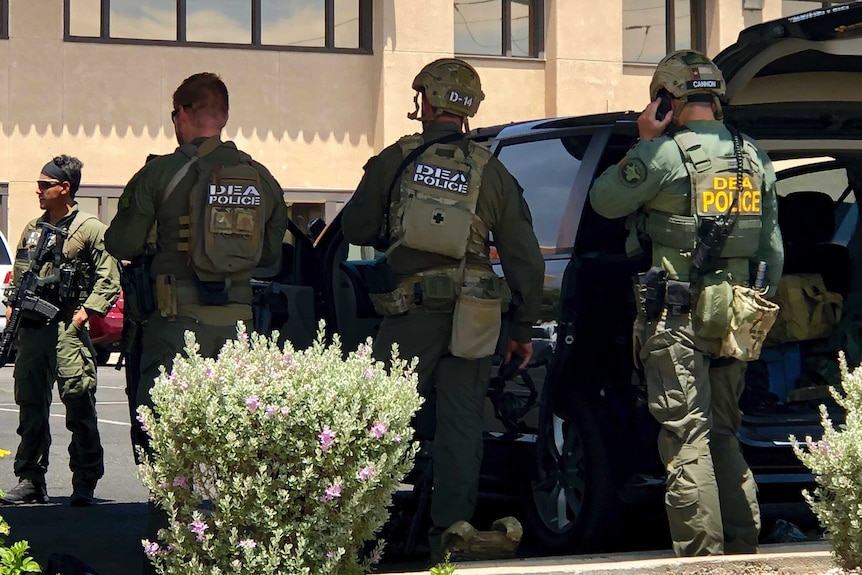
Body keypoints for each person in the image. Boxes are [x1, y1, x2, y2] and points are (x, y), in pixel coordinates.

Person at [340, 58, 544, 558]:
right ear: (468, 108)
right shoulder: (491, 170)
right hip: (476, 314)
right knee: (461, 424)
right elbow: (525, 260)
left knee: (378, 417)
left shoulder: (396, 159)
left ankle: (357, 531)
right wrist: (521, 326)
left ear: (426, 102)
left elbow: (353, 229)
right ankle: (449, 537)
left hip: (412, 310)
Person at [589, 50, 784, 556]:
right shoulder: (754, 155)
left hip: (675, 315)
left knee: (686, 433)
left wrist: (644, 141)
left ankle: (703, 557)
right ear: (716, 97)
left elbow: (605, 200)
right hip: (736, 313)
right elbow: (773, 250)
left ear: (665, 98)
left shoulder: (665, 153)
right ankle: (743, 547)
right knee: (725, 431)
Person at [104, 72, 288, 451]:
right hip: (239, 326)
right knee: (234, 443)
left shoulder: (159, 173)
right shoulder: (260, 178)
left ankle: (170, 512)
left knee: (164, 440)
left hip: (175, 322)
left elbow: (121, 242)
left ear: (181, 114)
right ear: (224, 116)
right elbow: (270, 254)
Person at [1, 155, 121, 507]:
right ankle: (30, 479)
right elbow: (21, 273)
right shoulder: (33, 229)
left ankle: (85, 480)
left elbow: (109, 276)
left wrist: (86, 313)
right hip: (34, 329)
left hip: (68, 324)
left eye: (44, 185)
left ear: (64, 188)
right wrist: (13, 307)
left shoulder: (90, 228)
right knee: (30, 403)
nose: (38, 191)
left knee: (78, 399)